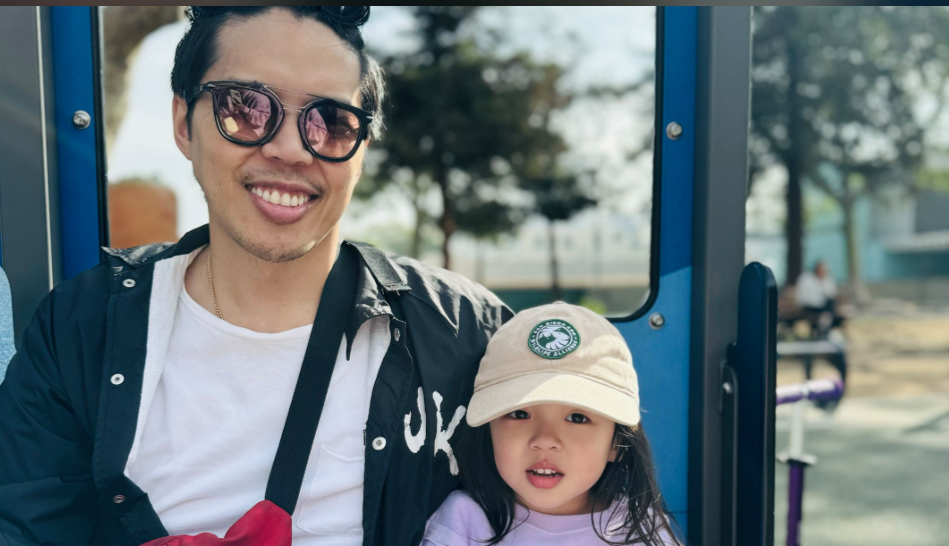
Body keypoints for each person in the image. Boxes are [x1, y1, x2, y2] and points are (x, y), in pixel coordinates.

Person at [0, 7, 512, 546]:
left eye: (330, 122)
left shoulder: (464, 334)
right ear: (183, 123)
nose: (290, 149)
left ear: (360, 152)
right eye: (245, 109)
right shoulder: (84, 325)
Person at [421, 303, 680, 546]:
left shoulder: (638, 529)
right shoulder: (464, 520)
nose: (545, 439)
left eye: (577, 418)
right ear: (489, 432)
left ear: (617, 443)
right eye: (520, 414)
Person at [794, 261, 842, 334]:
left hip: (824, 307)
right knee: (828, 310)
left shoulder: (827, 279)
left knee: (830, 306)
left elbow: (832, 294)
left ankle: (824, 326)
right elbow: (804, 298)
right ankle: (824, 327)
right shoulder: (806, 279)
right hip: (809, 306)